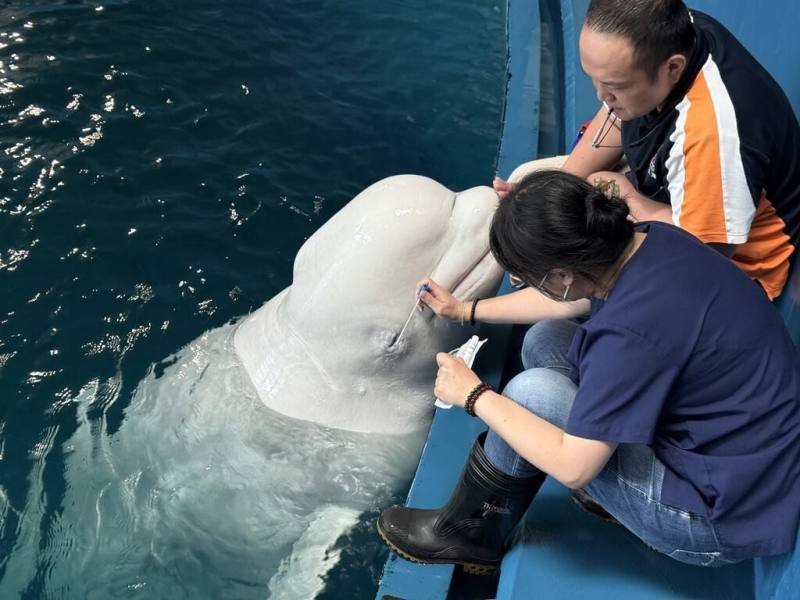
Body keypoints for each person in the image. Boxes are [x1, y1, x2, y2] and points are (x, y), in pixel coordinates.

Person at [377, 170, 800, 572]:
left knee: (531, 394)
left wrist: (472, 394)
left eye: (526, 277)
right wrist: (465, 310)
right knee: (547, 337)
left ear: (561, 274)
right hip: (751, 458)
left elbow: (574, 466)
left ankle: (471, 533)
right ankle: (596, 495)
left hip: (719, 519)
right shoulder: (650, 241)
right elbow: (570, 303)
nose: (525, 284)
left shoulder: (629, 334)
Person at [494, 0, 800, 300]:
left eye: (614, 85)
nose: (601, 96)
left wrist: (627, 195)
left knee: (563, 301)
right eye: (594, 79)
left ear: (673, 68)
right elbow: (614, 113)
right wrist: (554, 193)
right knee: (531, 180)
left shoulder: (712, 137)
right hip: (675, 193)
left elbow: (702, 256)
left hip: (737, 264)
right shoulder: (669, 29)